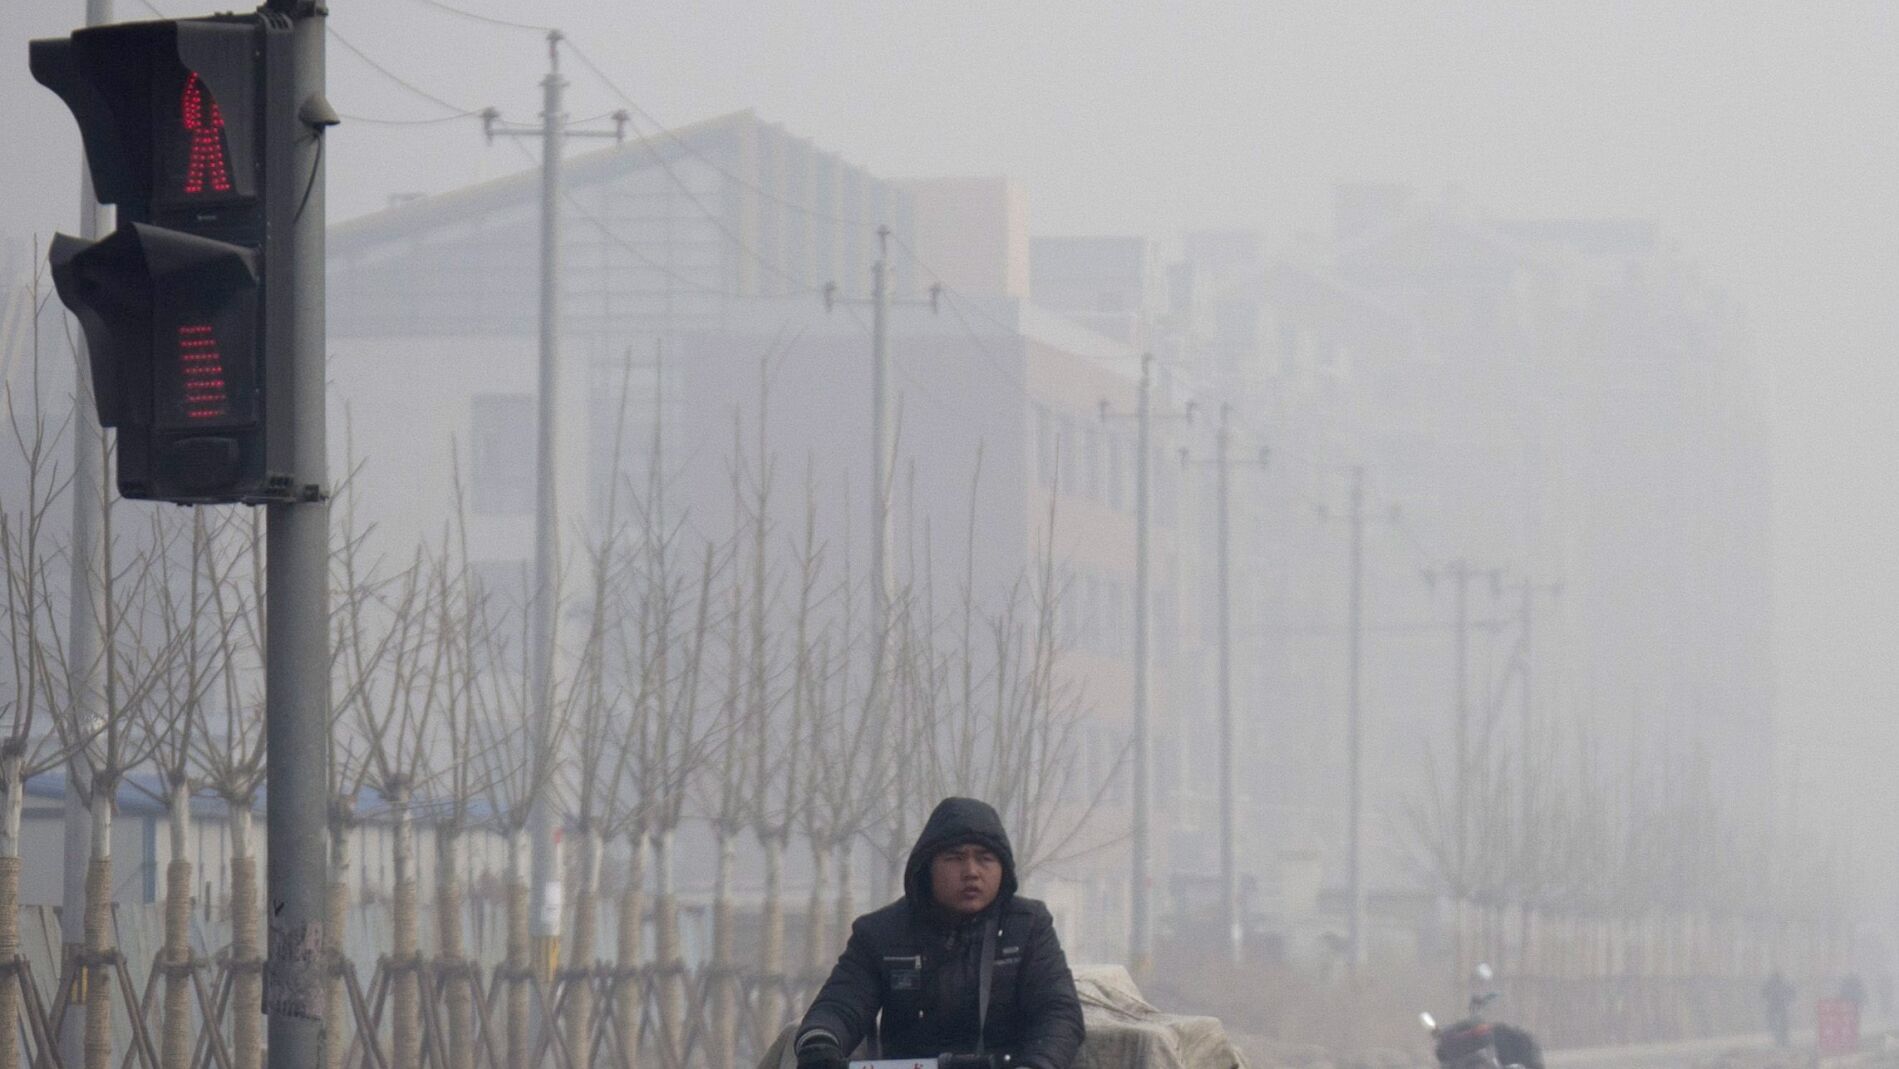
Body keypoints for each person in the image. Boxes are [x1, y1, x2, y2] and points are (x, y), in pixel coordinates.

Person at [794, 797, 1086, 1069]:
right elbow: (842, 1003)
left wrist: (1038, 1064)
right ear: (927, 867)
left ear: (1003, 869)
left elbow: (1058, 1012)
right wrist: (821, 1041)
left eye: (985, 858)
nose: (971, 871)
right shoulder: (881, 933)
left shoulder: (1028, 926)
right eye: (955, 858)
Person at [1762, 969, 1795, 1048]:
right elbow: (1791, 992)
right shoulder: (1783, 983)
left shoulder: (1770, 983)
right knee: (1781, 1023)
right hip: (1780, 1005)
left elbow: (1763, 993)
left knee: (1774, 1023)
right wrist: (1789, 999)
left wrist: (1768, 998)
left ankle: (1779, 1039)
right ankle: (1783, 1040)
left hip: (1774, 1005)